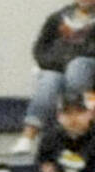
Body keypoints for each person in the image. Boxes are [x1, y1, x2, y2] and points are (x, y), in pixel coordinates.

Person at [15, 1, 95, 154]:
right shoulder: (58, 18)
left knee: (77, 67)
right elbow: (40, 48)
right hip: (58, 66)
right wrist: (52, 63)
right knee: (49, 80)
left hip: (87, 66)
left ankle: (77, 126)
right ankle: (28, 136)